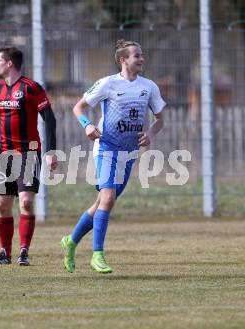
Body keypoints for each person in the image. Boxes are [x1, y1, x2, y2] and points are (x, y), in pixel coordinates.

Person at [61, 39, 166, 274]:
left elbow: (160, 119)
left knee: (101, 203)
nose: (141, 58)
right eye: (136, 55)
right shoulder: (107, 83)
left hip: (129, 152)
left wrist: (149, 133)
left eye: (142, 54)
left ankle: (70, 242)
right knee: (107, 199)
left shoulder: (148, 87)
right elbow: (78, 107)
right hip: (106, 147)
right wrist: (88, 125)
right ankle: (97, 255)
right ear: (123, 59)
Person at [0, 46, 58, 266]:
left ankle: (24, 251)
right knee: (2, 205)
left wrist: (51, 152)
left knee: (26, 202)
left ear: (9, 64)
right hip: (4, 156)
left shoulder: (31, 88)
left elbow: (50, 119)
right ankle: (4, 253)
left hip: (28, 153)